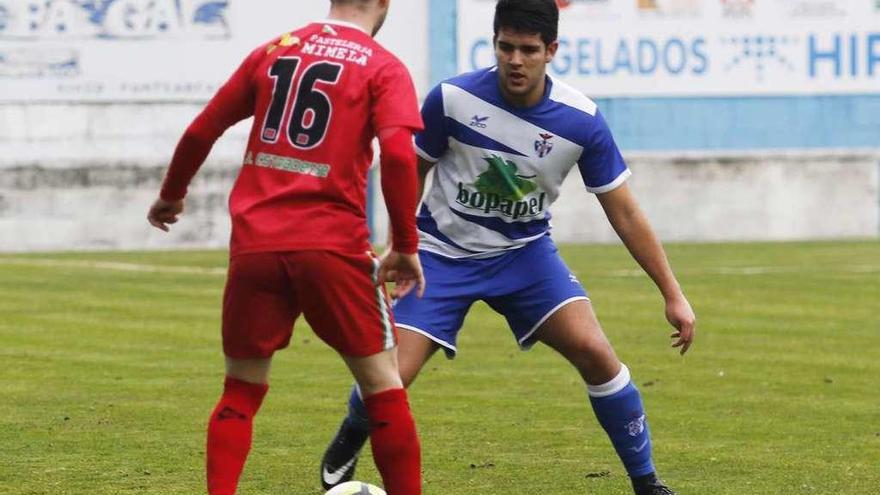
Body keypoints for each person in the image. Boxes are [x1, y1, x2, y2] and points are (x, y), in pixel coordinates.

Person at [319, 1, 696, 494]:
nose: (515, 60)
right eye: (506, 47)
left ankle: (647, 484)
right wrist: (399, 244)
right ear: (494, 43)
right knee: (389, 379)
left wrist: (672, 292)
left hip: (525, 258)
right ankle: (351, 434)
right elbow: (411, 170)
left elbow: (622, 209)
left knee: (598, 354)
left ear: (551, 51)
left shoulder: (581, 121)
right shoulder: (452, 99)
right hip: (441, 256)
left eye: (528, 50)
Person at [146, 1, 426, 494]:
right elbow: (399, 155)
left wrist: (172, 194)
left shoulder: (276, 51)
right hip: (332, 245)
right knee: (383, 387)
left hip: (256, 244)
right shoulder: (382, 66)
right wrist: (405, 243)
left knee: (240, 391)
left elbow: (202, 129)